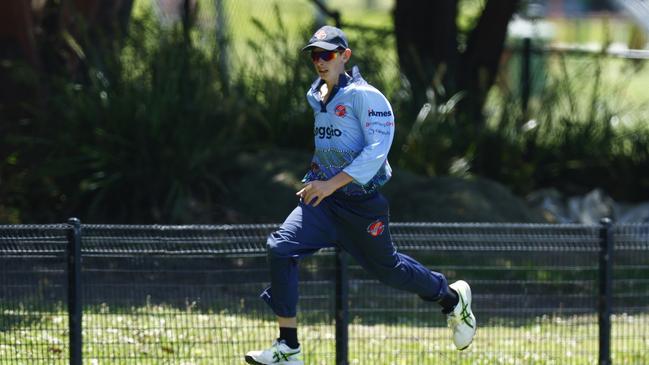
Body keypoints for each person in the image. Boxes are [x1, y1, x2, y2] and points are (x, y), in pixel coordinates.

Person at [245, 25, 476, 365]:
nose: (320, 61)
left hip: (362, 206)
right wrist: (319, 182)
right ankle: (288, 346)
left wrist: (329, 183)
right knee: (280, 248)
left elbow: (375, 153)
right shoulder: (316, 95)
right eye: (315, 55)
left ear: (345, 56)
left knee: (390, 270)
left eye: (327, 54)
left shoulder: (367, 97)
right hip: (323, 202)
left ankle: (452, 298)